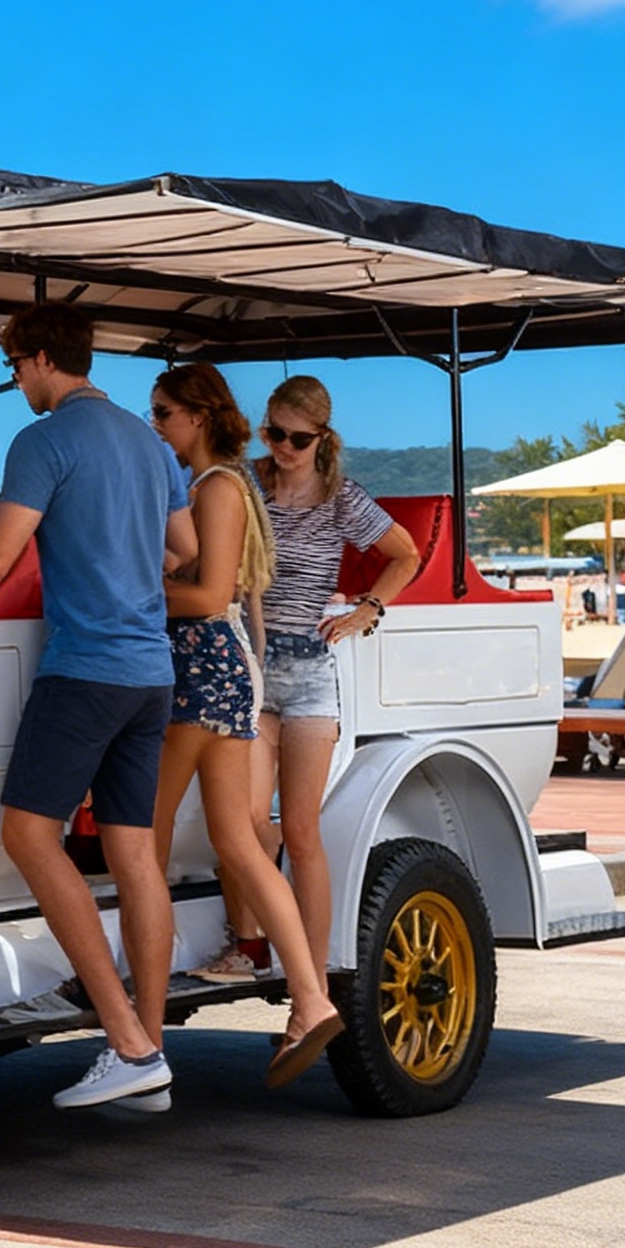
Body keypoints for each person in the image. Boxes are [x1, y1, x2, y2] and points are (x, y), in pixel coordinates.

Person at [0, 302, 197, 1111]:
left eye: (13, 368)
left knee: (29, 834)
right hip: (149, 672)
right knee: (135, 856)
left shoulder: (45, 440)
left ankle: (126, 1040)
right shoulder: (148, 440)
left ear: (36, 359)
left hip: (86, 670)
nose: (16, 382)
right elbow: (187, 550)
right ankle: (149, 1052)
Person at [146, 364, 344, 1086]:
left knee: (149, 830)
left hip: (202, 669)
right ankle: (311, 998)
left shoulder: (220, 487)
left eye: (163, 412)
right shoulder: (221, 486)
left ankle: (143, 996)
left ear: (197, 416)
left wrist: (131, 592)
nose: (155, 424)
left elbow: (210, 594)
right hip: (228, 673)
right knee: (239, 837)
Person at [215, 374, 419, 982]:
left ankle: (317, 968)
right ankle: (247, 946)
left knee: (302, 830)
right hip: (252, 662)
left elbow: (404, 554)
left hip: (309, 670)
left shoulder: (341, 497)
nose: (281, 447)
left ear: (321, 438)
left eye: (295, 439)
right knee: (248, 821)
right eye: (272, 432)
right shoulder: (246, 482)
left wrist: (368, 610)